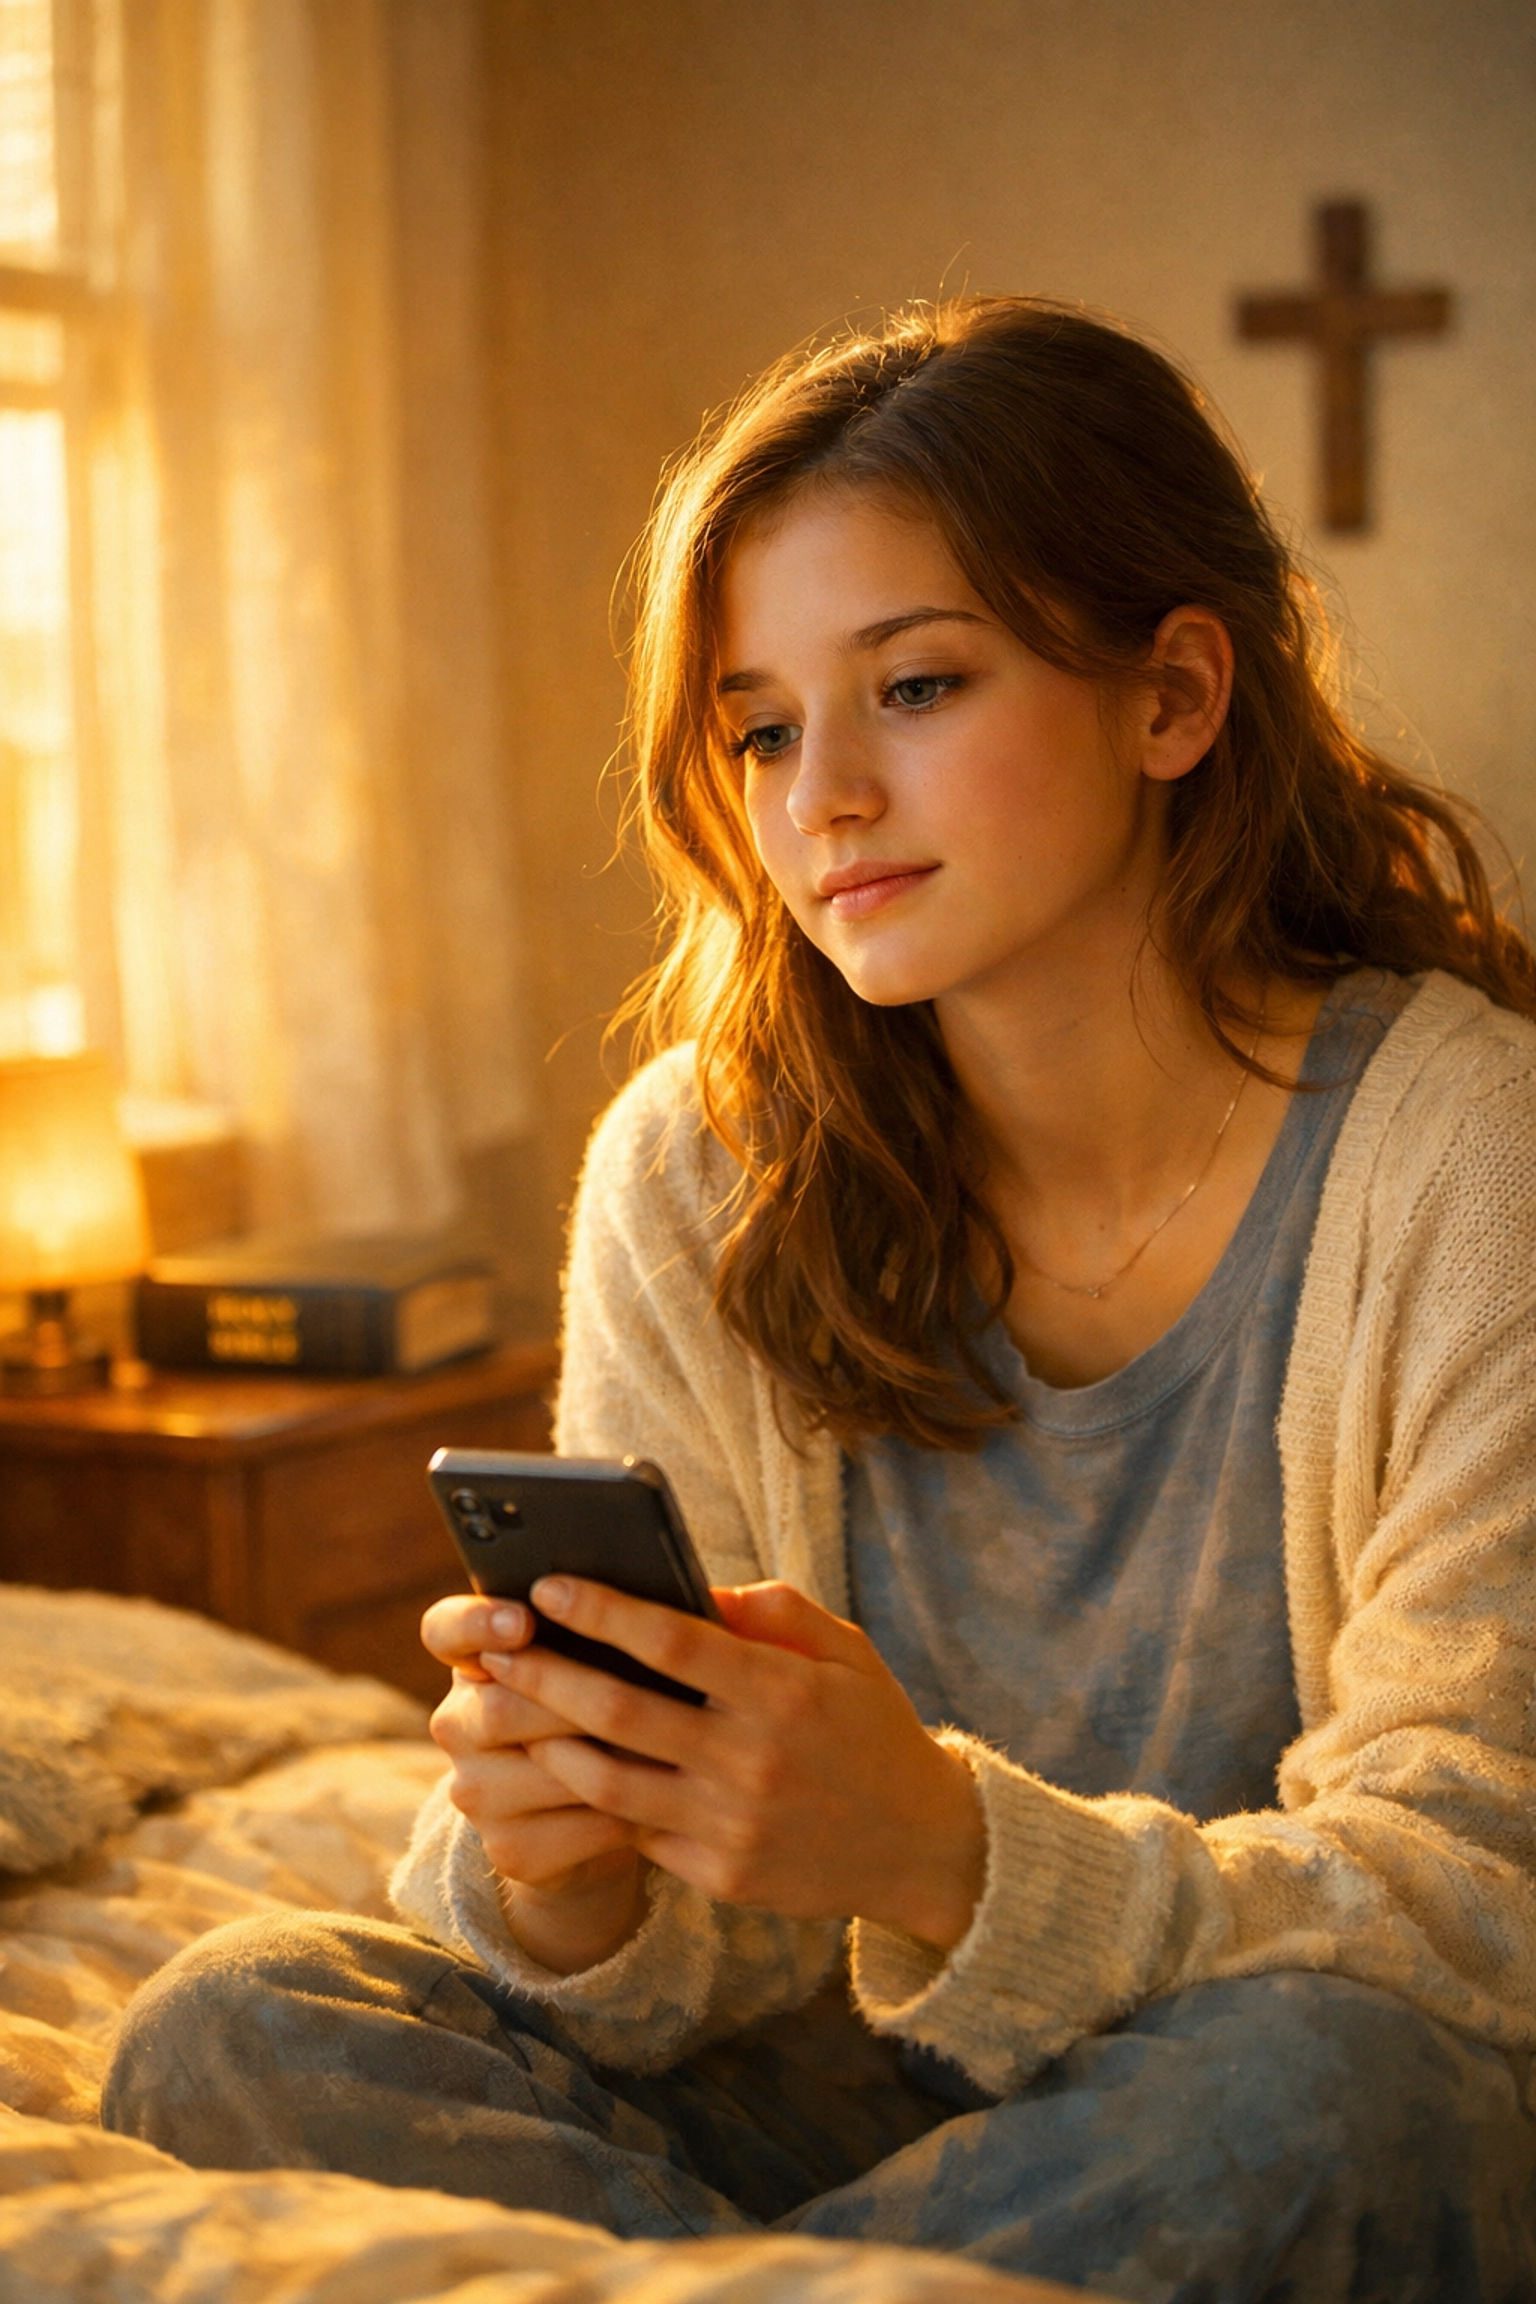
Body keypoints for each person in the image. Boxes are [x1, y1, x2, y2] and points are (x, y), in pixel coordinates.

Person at [106, 299, 1536, 2300]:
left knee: (1344, 2100)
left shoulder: (1469, 1158)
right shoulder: (698, 1172)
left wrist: (942, 1851)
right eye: (764, 729)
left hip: (1254, 2075)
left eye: (917, 686)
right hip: (873, 2111)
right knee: (234, 2025)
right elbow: (692, 1975)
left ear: (1175, 695)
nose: (823, 796)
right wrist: (574, 1873)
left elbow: (1482, 1906)